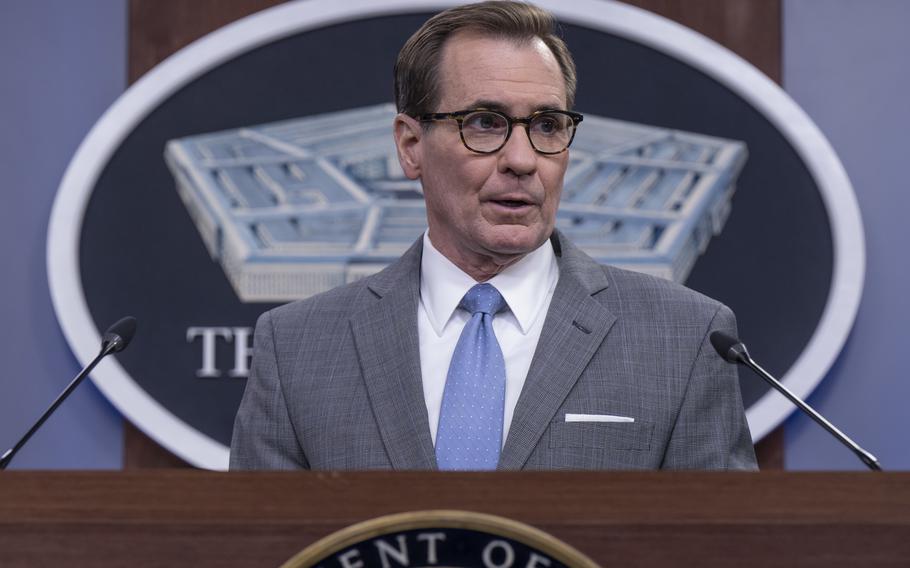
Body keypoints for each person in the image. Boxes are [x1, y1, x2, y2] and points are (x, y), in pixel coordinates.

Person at [230, 1, 757, 471]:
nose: (524, 160)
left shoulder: (685, 338)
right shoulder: (297, 346)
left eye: (547, 125)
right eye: (484, 122)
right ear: (411, 145)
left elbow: (719, 546)